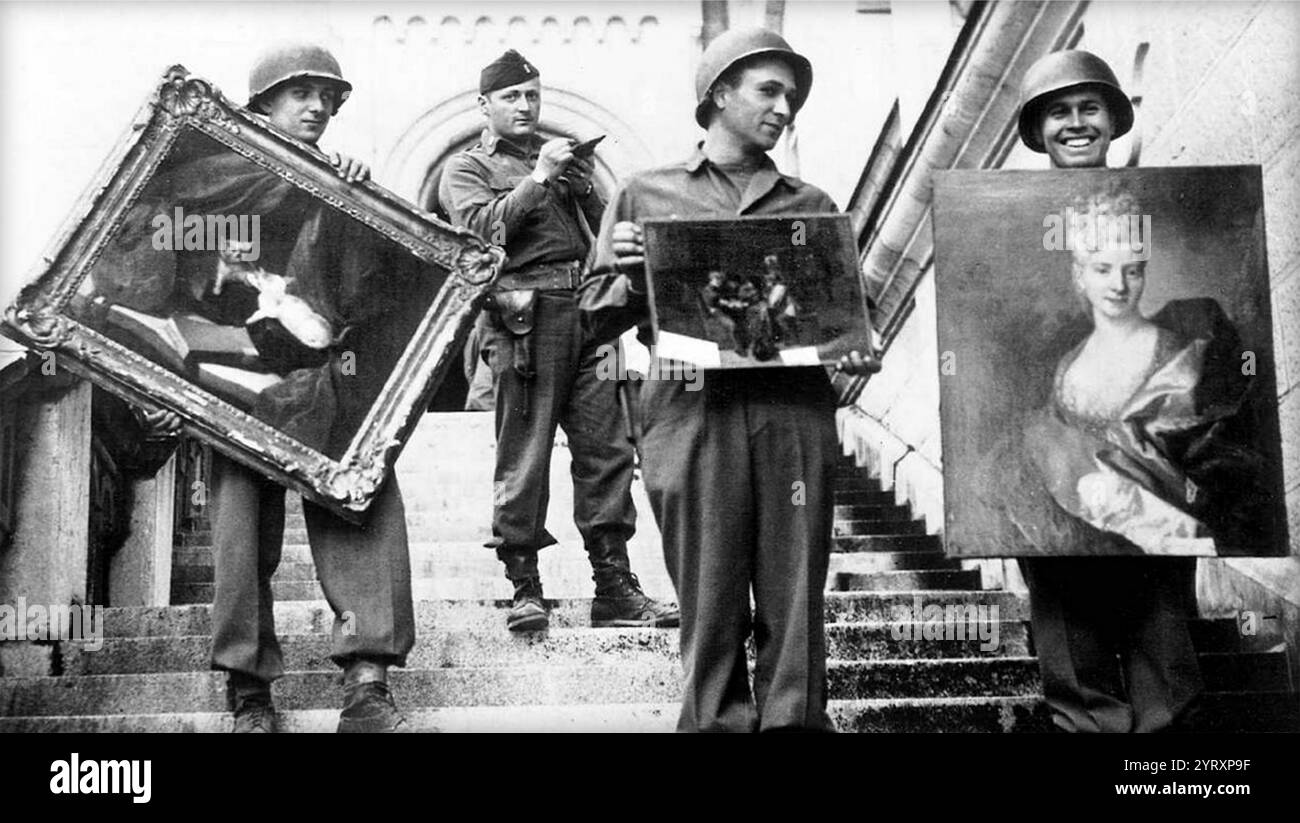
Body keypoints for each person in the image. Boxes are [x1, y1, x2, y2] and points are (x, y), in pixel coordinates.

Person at [579, 27, 879, 732]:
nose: (785, 107)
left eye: (793, 95)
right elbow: (589, 318)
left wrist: (857, 350)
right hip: (691, 410)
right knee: (709, 597)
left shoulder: (811, 204)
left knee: (795, 595)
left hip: (793, 412)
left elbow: (847, 317)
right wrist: (627, 276)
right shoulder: (643, 194)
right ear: (718, 94)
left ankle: (794, 726)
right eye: (769, 90)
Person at [148, 42, 416, 733]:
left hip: (328, 378)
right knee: (238, 529)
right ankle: (248, 693)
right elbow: (164, 273)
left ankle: (366, 680)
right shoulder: (206, 180)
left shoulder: (335, 183)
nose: (319, 107)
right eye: (302, 93)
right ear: (261, 102)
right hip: (232, 378)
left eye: (328, 96)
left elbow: (374, 292)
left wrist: (356, 201)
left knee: (360, 498)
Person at [438, 50, 679, 633]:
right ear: (484, 106)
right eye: (512, 97)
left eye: (532, 96)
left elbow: (606, 237)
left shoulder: (564, 166)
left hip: (589, 315)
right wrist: (539, 178)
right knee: (524, 452)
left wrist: (584, 186)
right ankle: (524, 585)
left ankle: (615, 588)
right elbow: (477, 236)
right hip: (523, 320)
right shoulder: (465, 169)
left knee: (607, 452)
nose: (525, 106)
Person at [1013, 49, 1206, 733]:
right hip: (1061, 494)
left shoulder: (1147, 205)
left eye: (1087, 107)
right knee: (1075, 659)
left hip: (1149, 494)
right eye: (1058, 112)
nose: (1074, 123)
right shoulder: (1000, 218)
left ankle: (1163, 775)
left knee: (1163, 648)